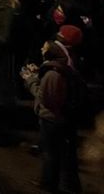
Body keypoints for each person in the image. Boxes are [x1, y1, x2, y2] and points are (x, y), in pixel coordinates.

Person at [22, 41, 84, 194]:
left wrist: (30, 80)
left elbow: (46, 98)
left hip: (51, 119)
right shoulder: (60, 69)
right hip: (60, 118)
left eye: (44, 47)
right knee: (58, 154)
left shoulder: (53, 73)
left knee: (50, 154)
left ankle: (49, 183)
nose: (41, 49)